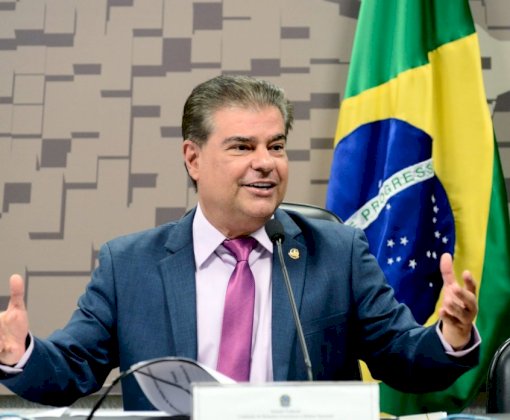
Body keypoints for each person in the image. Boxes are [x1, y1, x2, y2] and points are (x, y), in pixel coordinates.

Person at [0, 75, 479, 410]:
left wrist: (450, 336)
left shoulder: (339, 254)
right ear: (193, 159)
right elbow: (70, 370)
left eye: (276, 146)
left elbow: (402, 356)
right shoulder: (129, 266)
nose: (265, 162)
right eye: (242, 147)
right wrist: (17, 351)